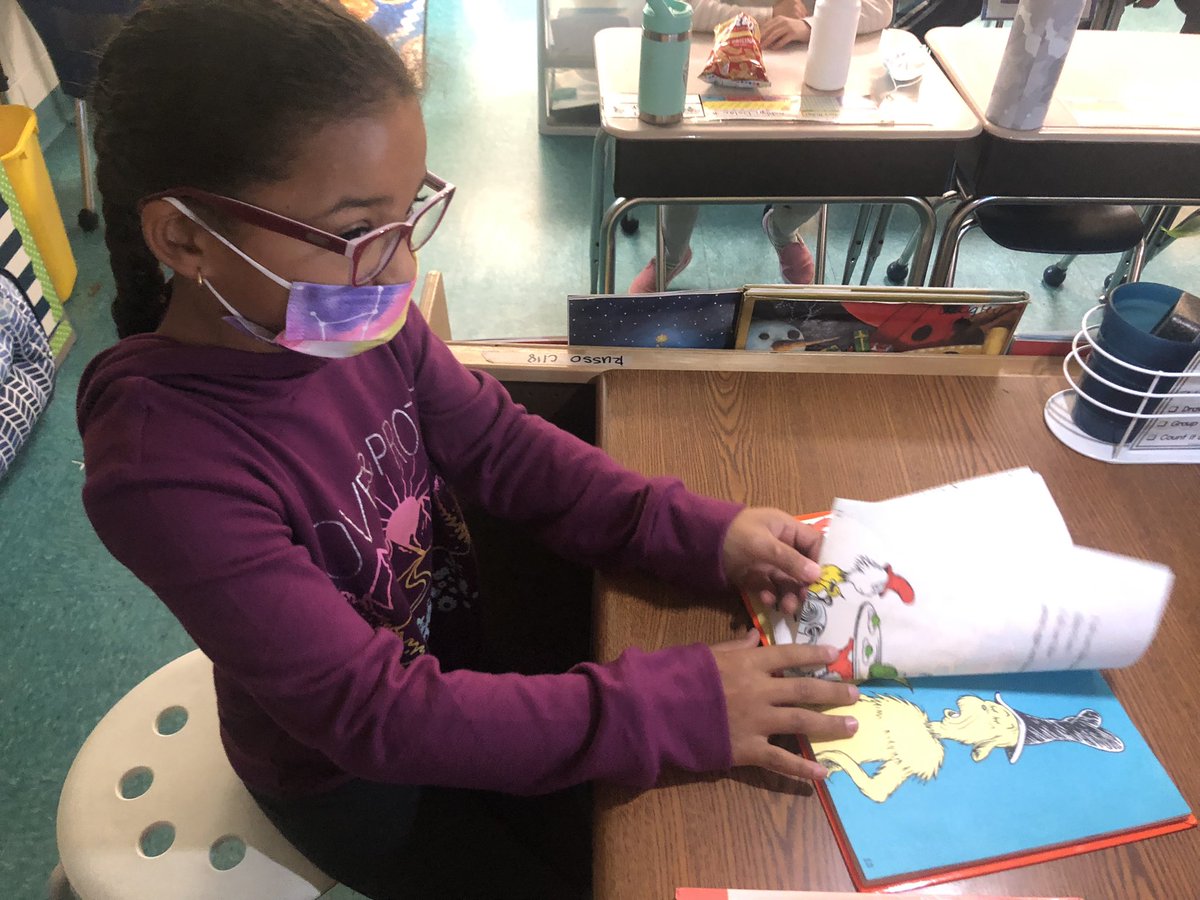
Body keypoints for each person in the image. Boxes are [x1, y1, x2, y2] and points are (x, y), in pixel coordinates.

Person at [77, 2, 859, 897]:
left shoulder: (353, 320)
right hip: (354, 781)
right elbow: (370, 715)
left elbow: (504, 449)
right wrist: (671, 704)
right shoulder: (160, 468)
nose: (402, 268)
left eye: (408, 216)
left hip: (452, 669)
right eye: (357, 233)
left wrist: (692, 530)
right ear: (185, 238)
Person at [628, 0, 895, 293]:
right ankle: (672, 253)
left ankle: (782, 227)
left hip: (805, 73)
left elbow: (879, 7)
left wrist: (806, 25)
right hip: (714, 67)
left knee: (826, 152)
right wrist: (767, 18)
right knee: (685, 152)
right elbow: (677, 6)